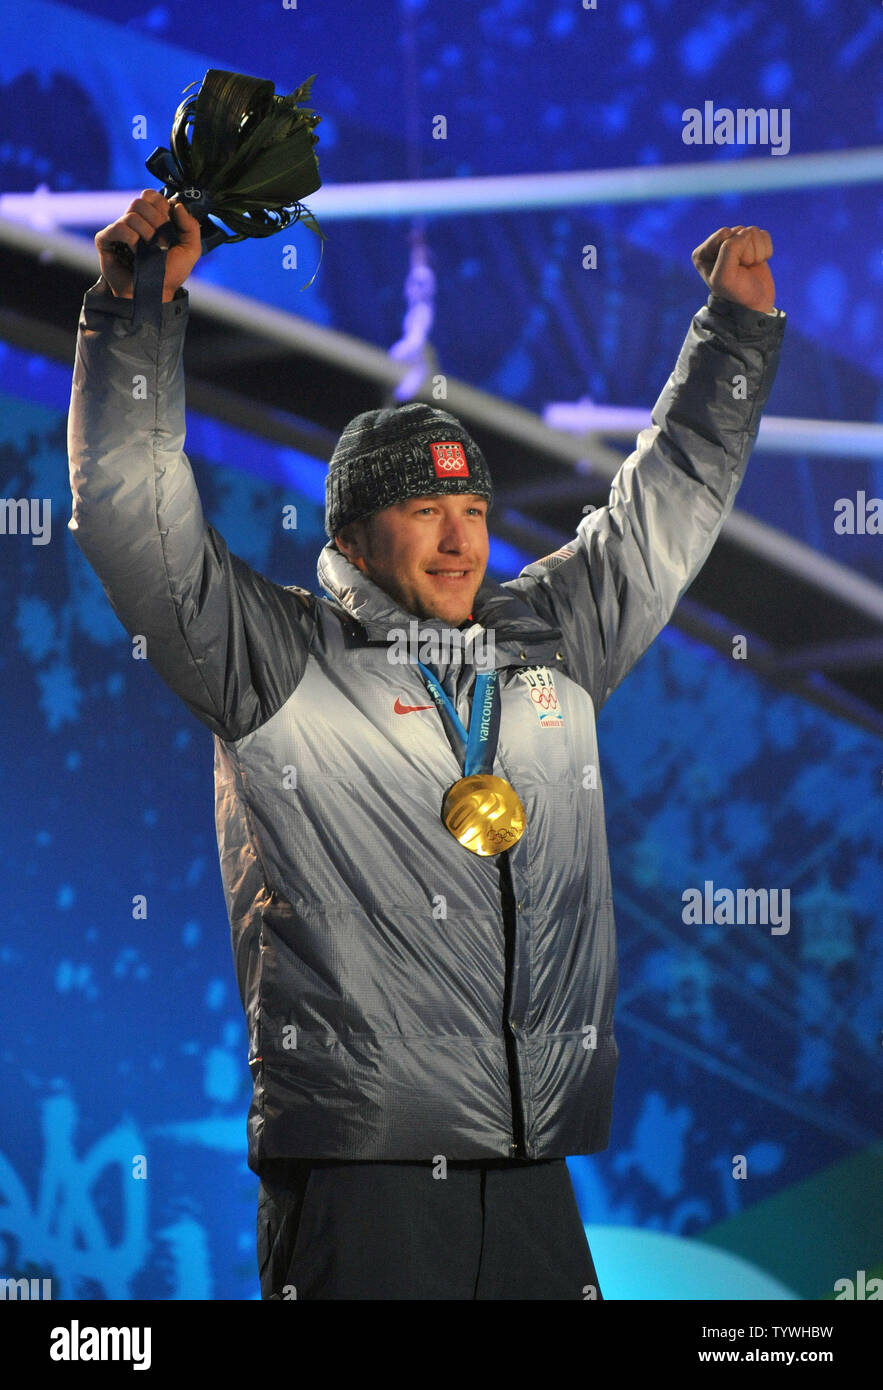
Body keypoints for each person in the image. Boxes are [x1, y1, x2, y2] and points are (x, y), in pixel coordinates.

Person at [67, 190, 785, 1300]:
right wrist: (133, 320)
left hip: (529, 1157)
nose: (459, 540)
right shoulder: (275, 658)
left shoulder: (548, 641)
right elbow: (134, 521)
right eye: (421, 511)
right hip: (363, 1167)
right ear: (350, 533)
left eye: (475, 511)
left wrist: (733, 336)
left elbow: (662, 511)